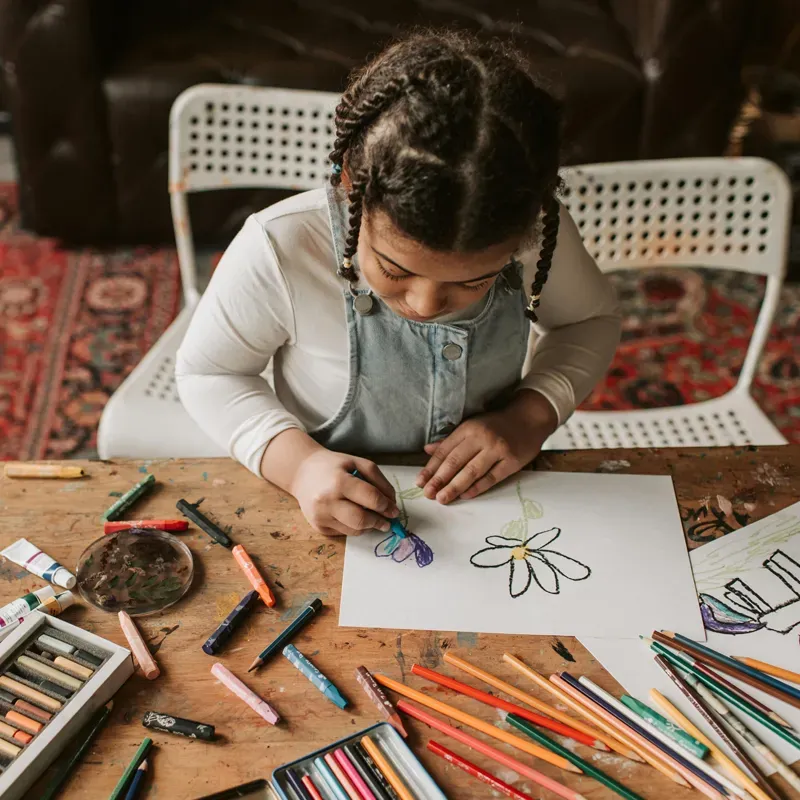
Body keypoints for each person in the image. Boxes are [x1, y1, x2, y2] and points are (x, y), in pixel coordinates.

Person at [176, 30, 621, 537]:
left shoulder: (536, 233)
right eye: (394, 269)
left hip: (492, 501)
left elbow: (591, 321)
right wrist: (297, 465)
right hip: (321, 500)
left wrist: (529, 418)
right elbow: (209, 374)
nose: (425, 302)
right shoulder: (283, 246)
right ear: (350, 187)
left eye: (476, 280)